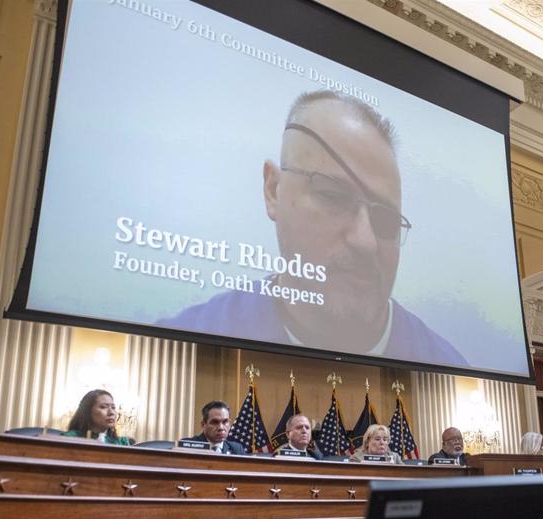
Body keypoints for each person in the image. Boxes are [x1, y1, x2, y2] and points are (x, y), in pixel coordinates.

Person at [159, 90, 466, 366]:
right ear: (273, 190)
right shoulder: (185, 340)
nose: (365, 241)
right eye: (332, 196)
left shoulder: (446, 364)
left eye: (385, 219)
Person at [62, 389, 133, 445]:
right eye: (103, 407)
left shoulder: (122, 443)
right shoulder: (70, 438)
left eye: (113, 407)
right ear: (88, 411)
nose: (111, 412)